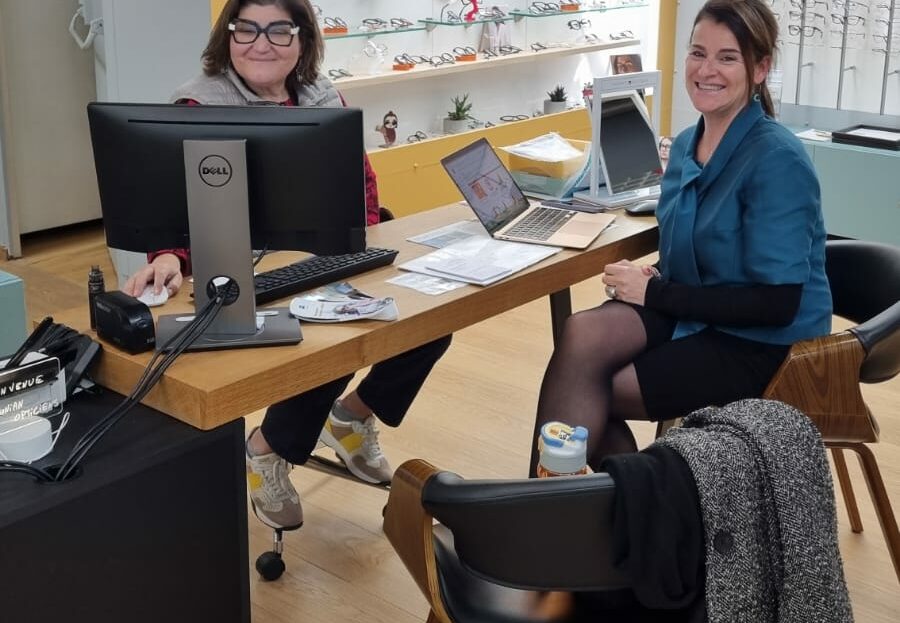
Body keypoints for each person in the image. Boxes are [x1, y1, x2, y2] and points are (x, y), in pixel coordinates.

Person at [123, 0, 451, 529]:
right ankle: (266, 449)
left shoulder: (322, 95)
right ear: (227, 37)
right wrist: (168, 255)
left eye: (279, 30)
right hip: (240, 265)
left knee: (431, 317)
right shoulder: (199, 104)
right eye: (246, 28)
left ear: (302, 40)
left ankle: (351, 418)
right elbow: (178, 199)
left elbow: (358, 178)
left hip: (327, 251)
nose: (261, 42)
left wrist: (365, 240)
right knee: (325, 340)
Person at [528, 0, 832, 475]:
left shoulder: (777, 160)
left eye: (727, 58)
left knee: (592, 389)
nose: (706, 70)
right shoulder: (689, 143)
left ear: (760, 68)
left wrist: (656, 292)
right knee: (582, 335)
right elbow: (697, 249)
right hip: (698, 314)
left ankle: (556, 519)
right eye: (697, 53)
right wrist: (660, 276)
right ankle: (603, 518)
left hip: (764, 345)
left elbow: (777, 305)